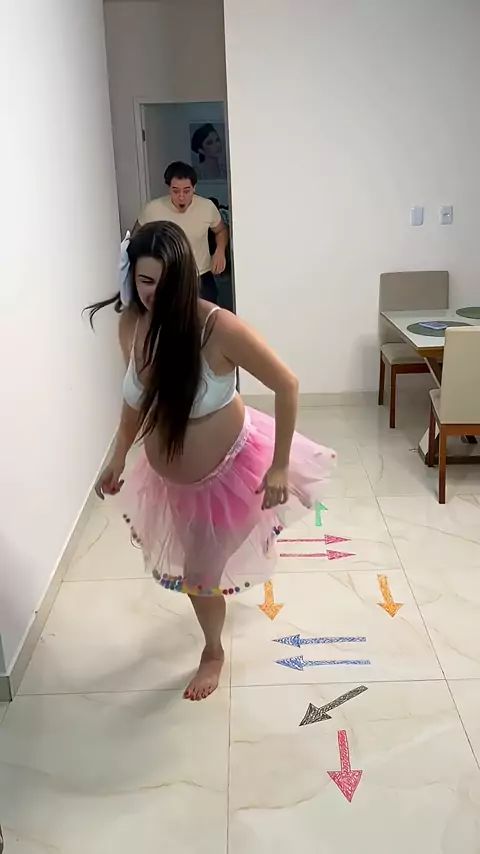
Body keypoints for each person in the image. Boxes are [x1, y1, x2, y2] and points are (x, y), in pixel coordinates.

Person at [88, 221, 335, 701]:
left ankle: (213, 651)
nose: (155, 293)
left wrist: (280, 465)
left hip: (231, 473)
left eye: (166, 282)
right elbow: (135, 401)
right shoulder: (131, 325)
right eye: (145, 281)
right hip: (172, 483)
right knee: (200, 567)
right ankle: (214, 599)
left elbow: (287, 384)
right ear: (131, 277)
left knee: (200, 576)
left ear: (187, 279)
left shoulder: (217, 328)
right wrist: (118, 456)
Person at [135, 161, 227, 304]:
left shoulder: (207, 207)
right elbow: (136, 238)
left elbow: (221, 230)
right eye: (176, 191)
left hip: (200, 276)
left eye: (187, 190)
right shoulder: (153, 209)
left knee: (207, 315)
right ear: (169, 188)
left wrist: (220, 251)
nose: (182, 196)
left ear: (194, 188)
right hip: (166, 277)